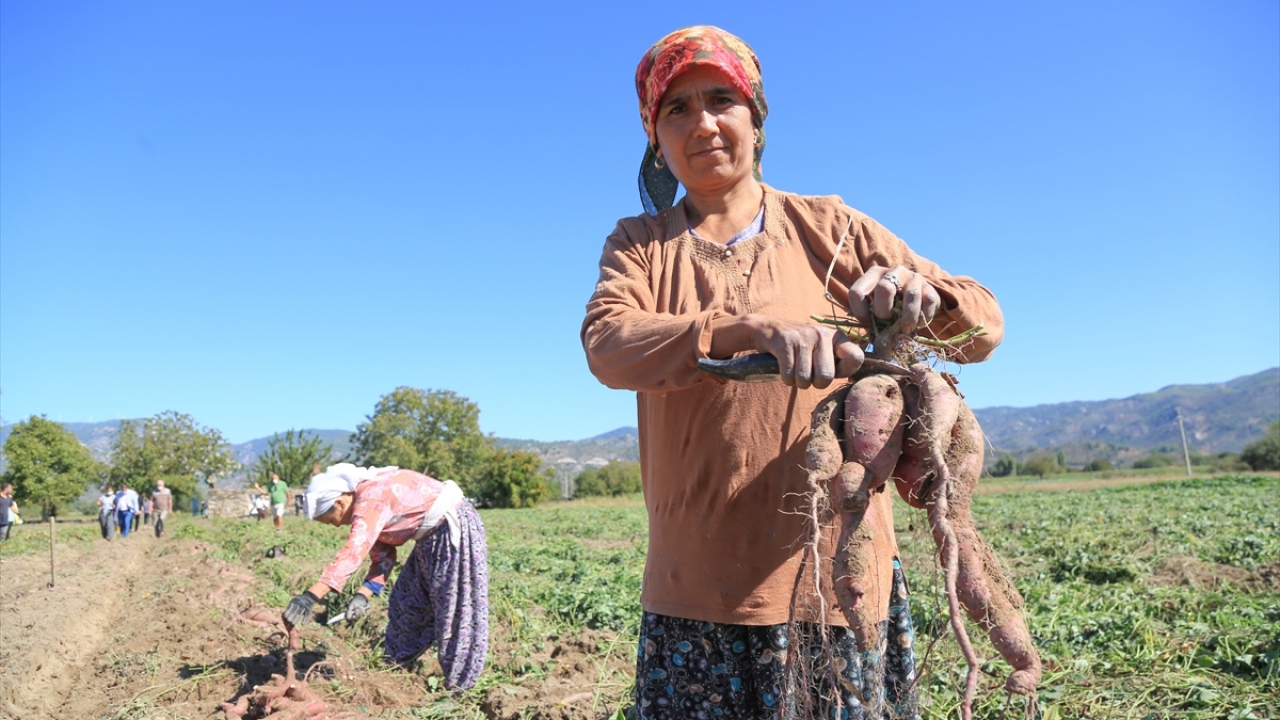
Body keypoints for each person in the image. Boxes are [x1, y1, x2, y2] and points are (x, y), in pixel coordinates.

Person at [580, 26, 1004, 720]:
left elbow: (983, 323)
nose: (704, 123)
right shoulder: (641, 245)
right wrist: (743, 329)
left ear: (757, 117)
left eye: (722, 99)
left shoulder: (831, 229)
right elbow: (609, 345)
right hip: (696, 587)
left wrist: (923, 300)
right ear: (654, 137)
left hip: (837, 584)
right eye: (677, 109)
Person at [281, 463, 489, 691]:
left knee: (455, 609)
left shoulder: (371, 498)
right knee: (405, 600)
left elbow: (354, 550)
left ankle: (461, 687)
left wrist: (310, 597)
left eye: (333, 520)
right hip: (429, 540)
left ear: (340, 502)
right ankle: (396, 666)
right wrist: (363, 595)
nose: (337, 525)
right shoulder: (368, 506)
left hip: (451, 529)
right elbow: (383, 556)